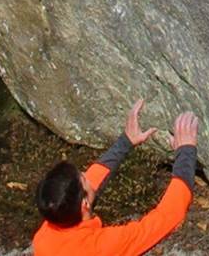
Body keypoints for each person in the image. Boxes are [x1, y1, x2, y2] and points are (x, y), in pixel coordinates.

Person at [32, 100, 199, 256]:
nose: (87, 174)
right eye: (83, 178)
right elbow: (166, 218)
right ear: (84, 205)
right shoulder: (100, 248)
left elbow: (87, 184)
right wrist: (186, 152)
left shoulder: (48, 230)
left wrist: (126, 141)